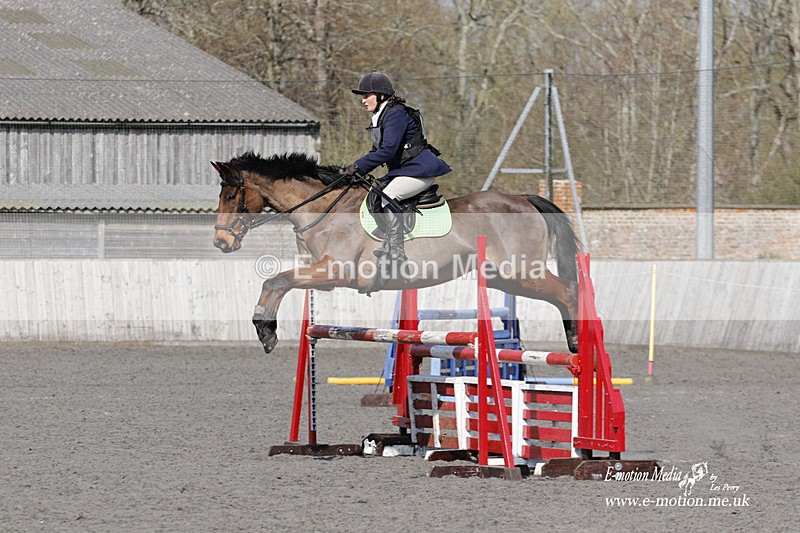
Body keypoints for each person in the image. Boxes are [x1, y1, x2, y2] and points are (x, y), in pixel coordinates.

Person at [344, 69, 452, 294]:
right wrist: (357, 169)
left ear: (381, 95)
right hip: (405, 171)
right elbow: (378, 151)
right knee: (374, 193)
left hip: (419, 171)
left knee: (387, 196)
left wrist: (359, 165)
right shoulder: (383, 115)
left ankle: (396, 252)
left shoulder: (395, 115)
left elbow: (387, 151)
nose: (363, 100)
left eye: (367, 95)